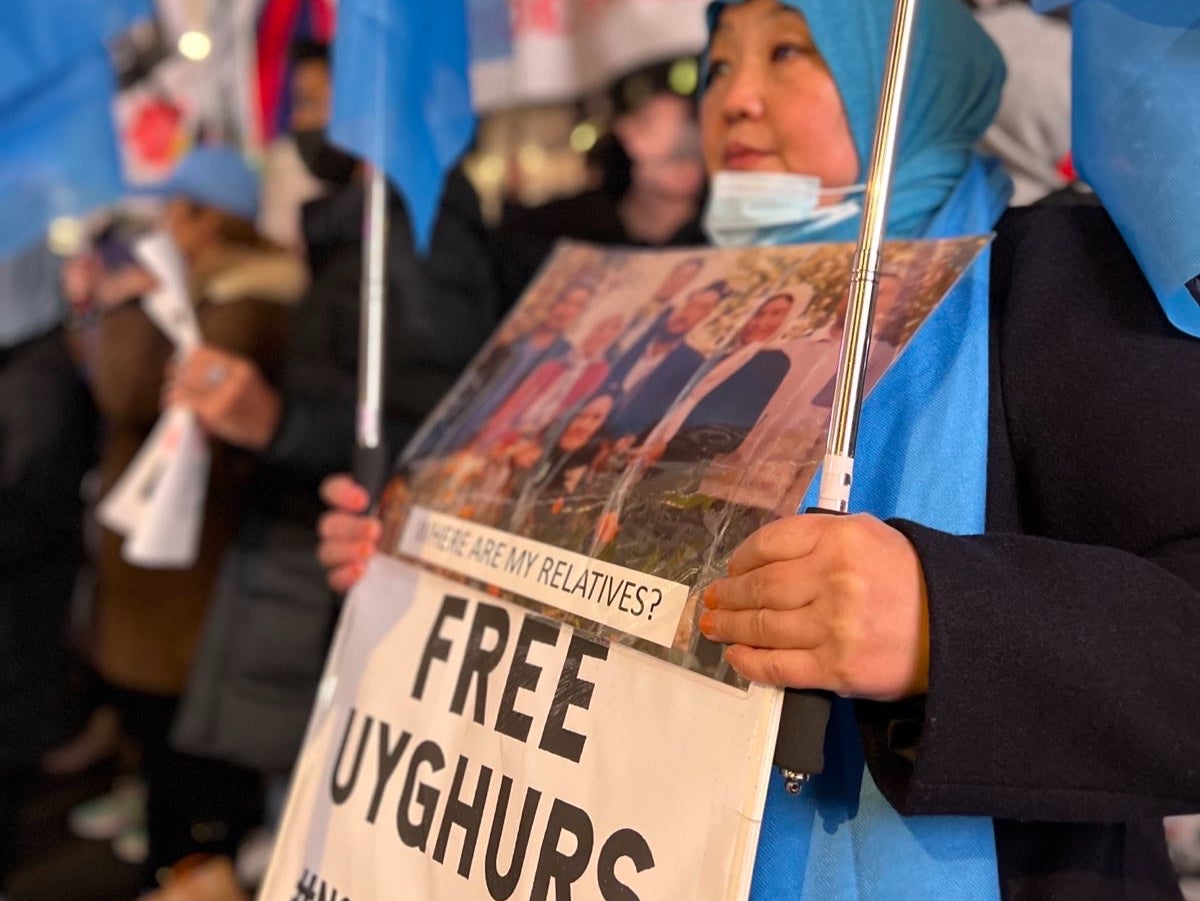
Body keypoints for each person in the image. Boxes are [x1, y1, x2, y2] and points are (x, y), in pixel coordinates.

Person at [318, 3, 1200, 899]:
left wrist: (948, 624)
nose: (735, 98)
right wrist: (420, 563)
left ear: (910, 77)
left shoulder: (1050, 286)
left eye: (789, 50)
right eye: (718, 63)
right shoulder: (653, 310)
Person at [89, 145, 305, 888]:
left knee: (194, 769)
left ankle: (187, 868)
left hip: (191, 583)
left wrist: (128, 299)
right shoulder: (218, 295)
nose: (159, 226)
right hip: (170, 584)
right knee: (170, 758)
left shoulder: (243, 304)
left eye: (170, 210)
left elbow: (124, 388)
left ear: (207, 220)